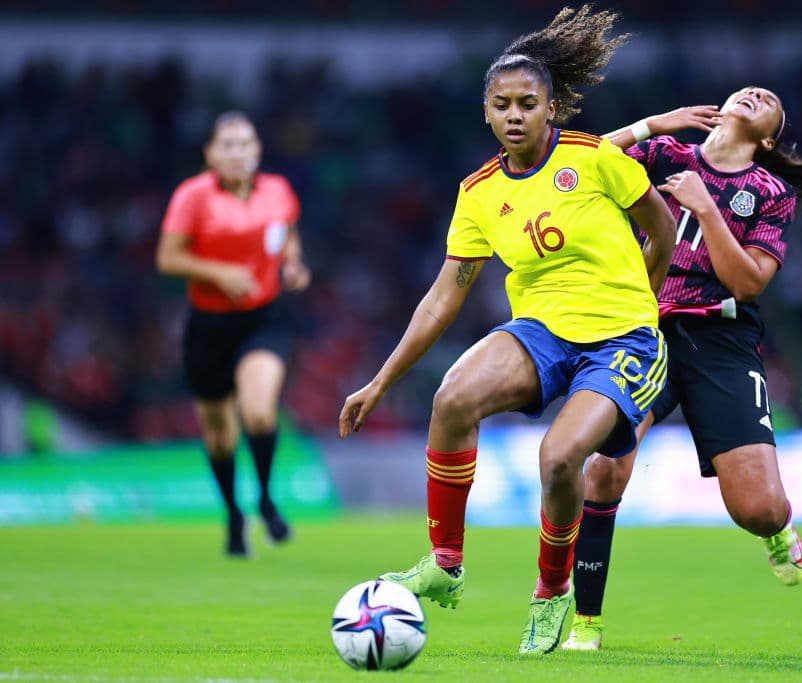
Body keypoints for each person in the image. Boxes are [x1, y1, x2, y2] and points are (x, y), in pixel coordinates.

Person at [337, 5, 676, 655]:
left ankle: (551, 593)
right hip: (542, 333)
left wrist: (643, 302)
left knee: (559, 457)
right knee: (452, 397)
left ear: (552, 110)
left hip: (622, 341)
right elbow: (442, 298)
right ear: (487, 114)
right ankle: (445, 562)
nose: (515, 114)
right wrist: (381, 380)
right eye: (502, 104)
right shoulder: (479, 193)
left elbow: (660, 229)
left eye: (528, 103)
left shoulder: (596, 159)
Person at [561, 87, 802, 650]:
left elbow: (748, 282)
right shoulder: (665, 155)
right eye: (749, 90)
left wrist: (705, 207)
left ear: (769, 139)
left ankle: (779, 528)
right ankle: (586, 622)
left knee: (757, 509)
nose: (756, 93)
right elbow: (573, 169)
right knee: (605, 469)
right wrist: (652, 123)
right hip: (643, 332)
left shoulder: (770, 192)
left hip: (722, 340)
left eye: (770, 100)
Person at [156, 111, 311, 558]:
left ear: (257, 149)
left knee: (258, 412)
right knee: (220, 436)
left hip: (263, 317)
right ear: (210, 153)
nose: (238, 153)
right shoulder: (192, 196)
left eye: (245, 143)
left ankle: (265, 500)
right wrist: (219, 272)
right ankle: (233, 515)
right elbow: (168, 258)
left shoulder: (277, 190)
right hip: (209, 326)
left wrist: (293, 265)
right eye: (227, 145)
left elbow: (287, 235)